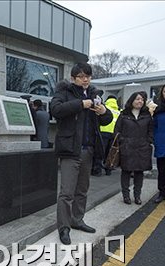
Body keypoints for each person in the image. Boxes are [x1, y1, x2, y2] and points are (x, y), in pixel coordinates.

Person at [50, 62, 112, 245]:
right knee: (66, 192)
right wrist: (80, 104)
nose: (85, 79)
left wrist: (103, 111)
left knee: (82, 190)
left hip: (89, 150)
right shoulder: (64, 91)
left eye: (88, 76)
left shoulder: (95, 94)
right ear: (73, 78)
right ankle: (64, 227)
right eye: (81, 76)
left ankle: (77, 220)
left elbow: (107, 120)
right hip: (70, 150)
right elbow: (56, 110)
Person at [114, 92, 153, 205]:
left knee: (139, 173)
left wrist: (148, 141)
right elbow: (117, 131)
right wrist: (123, 141)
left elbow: (151, 130)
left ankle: (137, 196)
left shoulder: (147, 115)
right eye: (137, 99)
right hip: (127, 147)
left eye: (142, 99)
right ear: (131, 101)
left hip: (142, 148)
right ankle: (126, 196)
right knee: (125, 172)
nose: (140, 101)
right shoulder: (124, 114)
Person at [92, 95, 120, 176]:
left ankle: (97, 170)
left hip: (103, 132)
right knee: (110, 153)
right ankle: (108, 170)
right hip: (113, 135)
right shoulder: (118, 111)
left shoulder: (104, 108)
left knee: (100, 152)